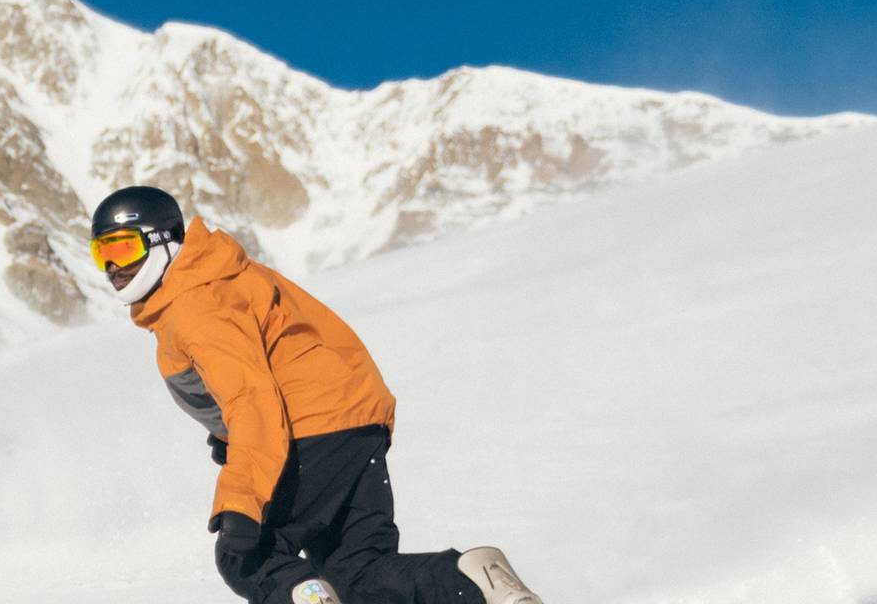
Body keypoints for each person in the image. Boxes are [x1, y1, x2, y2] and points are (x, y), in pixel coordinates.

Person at [88, 186, 544, 604]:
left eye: (123, 247)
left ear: (165, 240)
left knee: (246, 556)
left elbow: (253, 402)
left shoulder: (194, 303)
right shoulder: (218, 279)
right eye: (100, 252)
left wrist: (241, 502)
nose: (112, 266)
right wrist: (228, 435)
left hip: (309, 433)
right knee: (357, 572)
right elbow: (277, 365)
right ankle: (470, 580)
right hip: (355, 427)